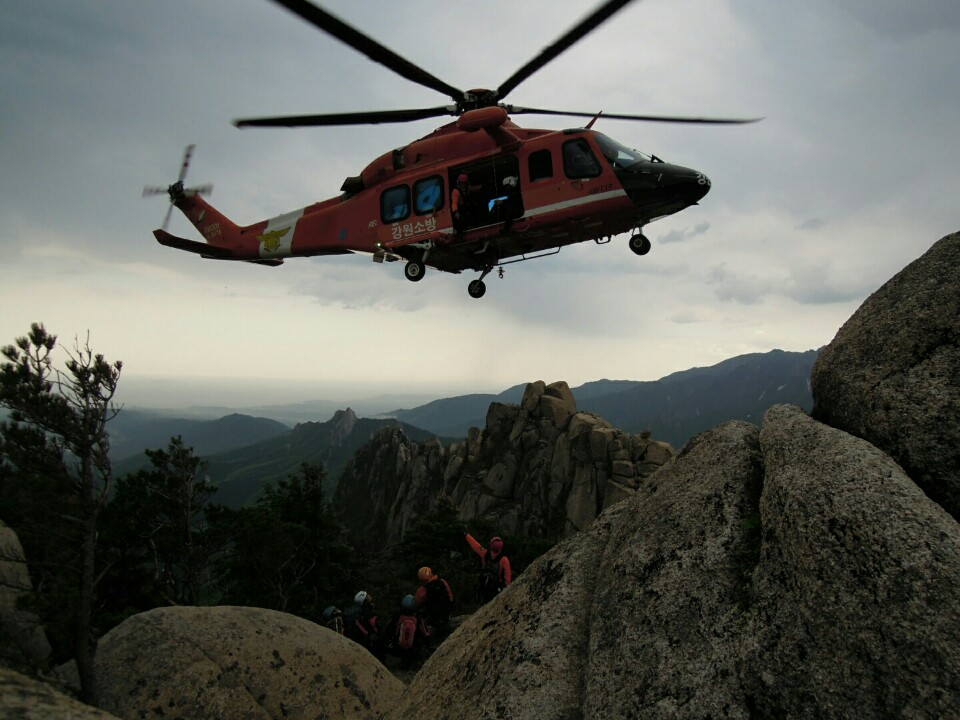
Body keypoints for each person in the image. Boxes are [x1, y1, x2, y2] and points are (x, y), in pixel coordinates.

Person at [464, 532, 512, 603]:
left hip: (483, 586)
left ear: (491, 546)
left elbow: (475, 545)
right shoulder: (504, 560)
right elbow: (507, 579)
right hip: (495, 590)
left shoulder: (485, 554)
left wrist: (466, 535)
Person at [388, 594, 432, 669]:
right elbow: (426, 634)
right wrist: (428, 645)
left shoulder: (396, 616)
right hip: (413, 649)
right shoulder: (418, 618)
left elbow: (388, 630)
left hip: (396, 649)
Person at [414, 566, 454, 638]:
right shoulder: (442, 582)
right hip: (446, 612)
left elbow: (416, 604)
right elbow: (450, 596)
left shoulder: (422, 590)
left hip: (432, 617)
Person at [344, 590, 384, 661]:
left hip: (357, 641)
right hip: (366, 641)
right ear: (365, 601)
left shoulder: (353, 612)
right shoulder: (367, 612)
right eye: (368, 597)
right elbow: (376, 628)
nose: (371, 598)